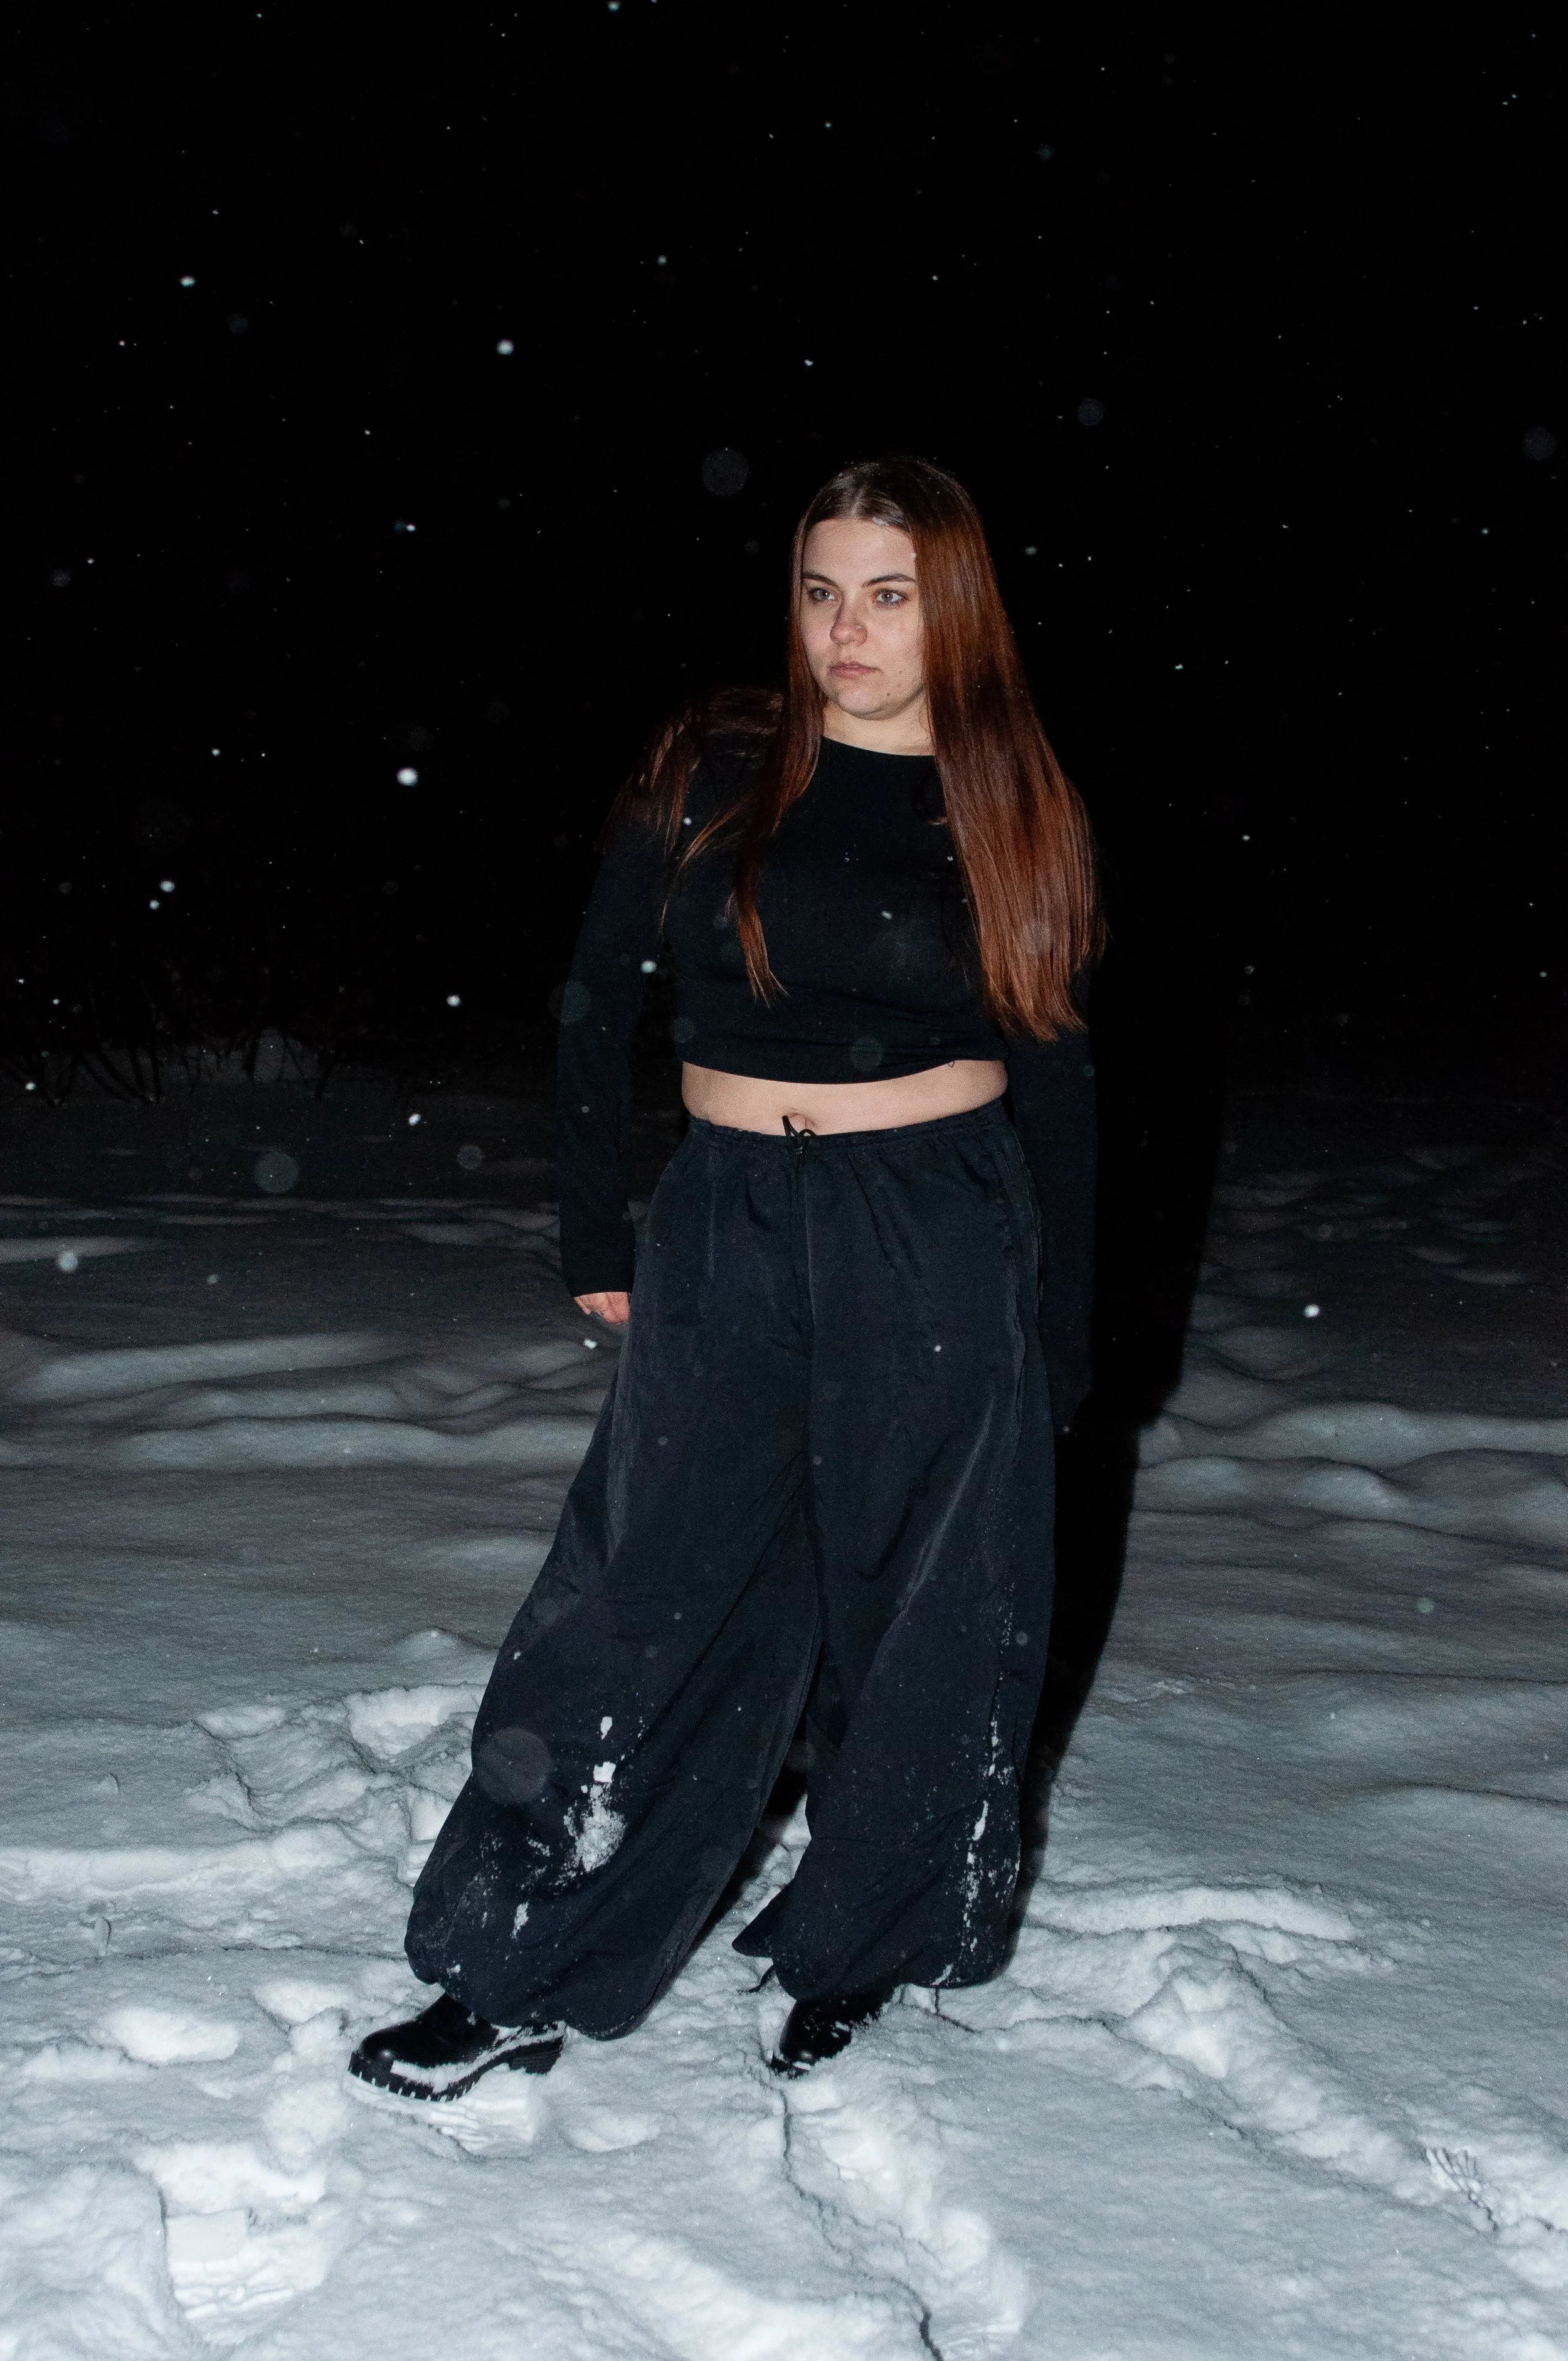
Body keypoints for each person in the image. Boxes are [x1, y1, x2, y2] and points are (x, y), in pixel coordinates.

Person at [349, 454, 1103, 2102]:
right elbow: (590, 999)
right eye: (822, 590)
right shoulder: (714, 768)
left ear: (952, 608)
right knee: (633, 1598)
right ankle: (520, 1958)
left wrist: (1055, 1331)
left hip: (938, 1218)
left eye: (888, 595)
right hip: (728, 1215)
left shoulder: (1006, 798)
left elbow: (1055, 1073)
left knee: (921, 1610)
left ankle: (856, 1939)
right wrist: (594, 1231)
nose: (845, 629)